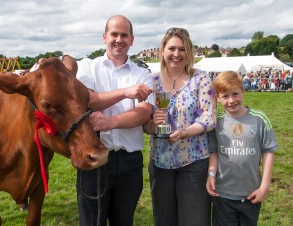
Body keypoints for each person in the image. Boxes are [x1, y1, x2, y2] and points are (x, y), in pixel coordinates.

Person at [76, 15, 154, 226]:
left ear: (132, 40)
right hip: (93, 160)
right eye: (114, 34)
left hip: (129, 162)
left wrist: (110, 122)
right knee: (92, 222)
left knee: (124, 222)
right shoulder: (87, 67)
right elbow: (89, 101)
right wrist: (127, 92)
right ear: (104, 37)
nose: (119, 39)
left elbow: (144, 113)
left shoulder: (143, 74)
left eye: (124, 35)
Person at [143, 27, 216, 226]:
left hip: (194, 162)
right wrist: (152, 124)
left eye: (182, 49)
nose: (177, 54)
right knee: (164, 220)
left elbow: (209, 117)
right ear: (163, 51)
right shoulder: (152, 81)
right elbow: (144, 124)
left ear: (189, 52)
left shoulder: (200, 78)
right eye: (172, 48)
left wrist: (185, 132)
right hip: (160, 162)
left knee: (195, 220)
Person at [206, 71, 278, 226]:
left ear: (243, 92)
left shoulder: (260, 119)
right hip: (222, 194)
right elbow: (214, 151)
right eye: (225, 96)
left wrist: (264, 187)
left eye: (235, 94)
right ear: (217, 98)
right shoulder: (216, 122)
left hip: (251, 194)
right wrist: (211, 175)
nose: (231, 100)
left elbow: (269, 152)